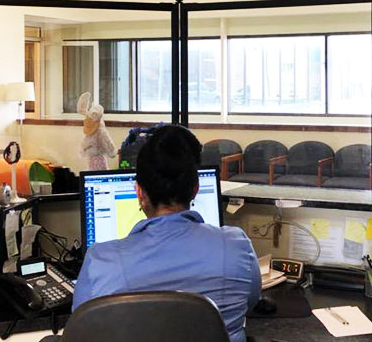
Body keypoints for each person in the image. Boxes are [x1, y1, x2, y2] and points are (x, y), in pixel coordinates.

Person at [73, 125, 261, 342]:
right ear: (195, 188)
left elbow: (82, 325)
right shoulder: (237, 245)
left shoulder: (101, 260)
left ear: (139, 192)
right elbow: (250, 301)